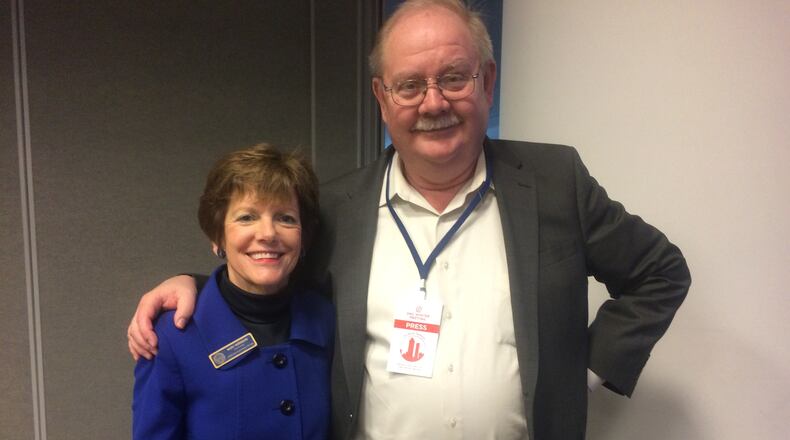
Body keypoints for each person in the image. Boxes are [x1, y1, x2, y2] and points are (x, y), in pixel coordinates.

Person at [128, 1, 691, 438]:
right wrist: (197, 288)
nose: (433, 103)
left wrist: (583, 375)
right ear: (381, 96)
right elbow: (270, 277)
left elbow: (659, 272)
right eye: (409, 84)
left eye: (454, 77)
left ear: (487, 81)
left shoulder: (553, 182)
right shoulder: (337, 208)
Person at [132, 144, 334, 439]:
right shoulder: (172, 336)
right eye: (247, 217)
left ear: (303, 238)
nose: (267, 233)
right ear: (217, 237)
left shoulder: (326, 319)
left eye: (286, 218)